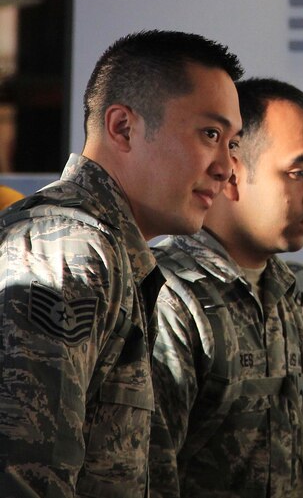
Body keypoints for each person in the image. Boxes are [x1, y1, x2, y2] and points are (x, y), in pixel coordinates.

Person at [0, 30, 243, 497]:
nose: (226, 167)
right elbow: (24, 475)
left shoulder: (109, 250)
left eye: (232, 142)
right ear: (123, 128)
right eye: (210, 134)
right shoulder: (69, 249)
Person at [149, 78, 303, 497]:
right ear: (231, 174)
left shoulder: (284, 295)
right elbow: (146, 477)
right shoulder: (170, 298)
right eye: (299, 172)